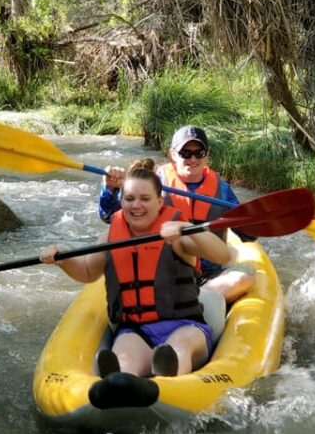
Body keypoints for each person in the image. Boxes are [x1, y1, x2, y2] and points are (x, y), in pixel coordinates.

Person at [41, 158, 232, 378]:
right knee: (125, 357)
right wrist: (62, 259)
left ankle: (169, 375)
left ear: (160, 202)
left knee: (179, 347)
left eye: (145, 199)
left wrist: (187, 228)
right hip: (136, 330)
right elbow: (86, 272)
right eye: (129, 199)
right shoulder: (111, 236)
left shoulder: (177, 235)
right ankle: (120, 381)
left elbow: (223, 255)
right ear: (121, 202)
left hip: (185, 326)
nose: (136, 205)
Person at [98, 125, 255, 303]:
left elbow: (247, 235)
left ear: (207, 154)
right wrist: (110, 188)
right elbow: (111, 216)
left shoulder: (222, 189)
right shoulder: (154, 183)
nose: (193, 159)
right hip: (164, 272)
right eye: (185, 153)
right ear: (173, 154)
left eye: (199, 152)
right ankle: (195, 301)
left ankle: (196, 299)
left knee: (244, 278)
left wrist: (255, 220)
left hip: (209, 274)